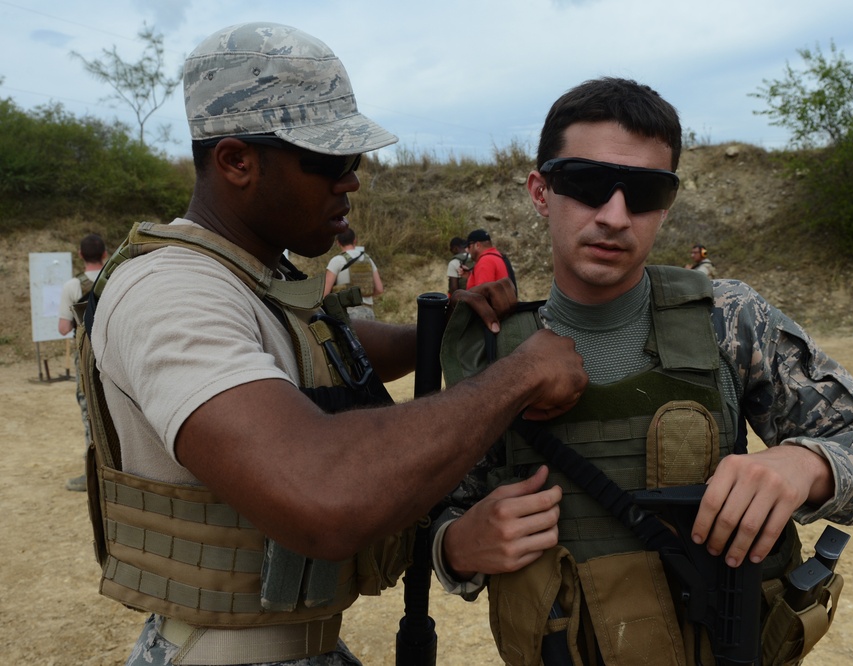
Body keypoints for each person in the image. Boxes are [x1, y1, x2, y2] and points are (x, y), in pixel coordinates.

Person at [80, 22, 587, 666]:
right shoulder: (172, 292)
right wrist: (515, 377)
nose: (351, 180)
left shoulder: (251, 273)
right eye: (328, 161)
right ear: (236, 161)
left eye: (355, 159)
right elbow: (321, 493)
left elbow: (318, 347)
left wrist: (435, 334)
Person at [432, 77, 853, 665]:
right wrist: (456, 546)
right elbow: (442, 507)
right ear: (540, 190)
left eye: (644, 191)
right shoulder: (492, 349)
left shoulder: (730, 320)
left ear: (667, 203)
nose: (614, 216)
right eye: (585, 183)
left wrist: (805, 464)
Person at [56, 233, 107, 491]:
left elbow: (64, 327)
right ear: (105, 255)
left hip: (87, 356)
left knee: (89, 409)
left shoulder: (72, 286)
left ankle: (95, 475)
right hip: (115, 351)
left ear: (80, 255)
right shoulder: (115, 278)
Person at [323, 226, 383, 320]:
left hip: (348, 312)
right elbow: (379, 289)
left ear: (338, 242)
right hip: (368, 312)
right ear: (355, 240)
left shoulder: (337, 261)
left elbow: (325, 293)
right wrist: (364, 293)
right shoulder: (368, 259)